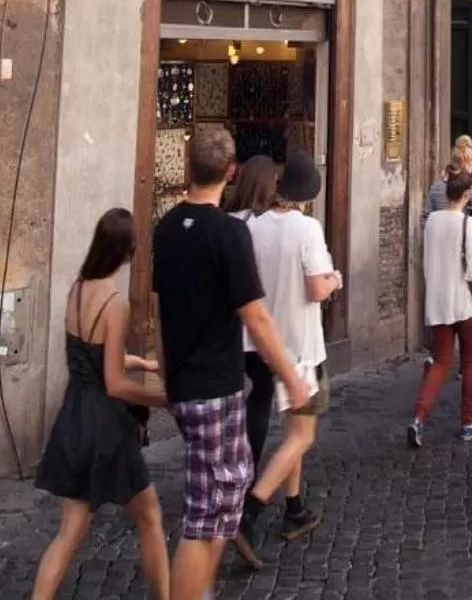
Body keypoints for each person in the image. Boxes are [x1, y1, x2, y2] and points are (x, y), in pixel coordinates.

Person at [150, 126, 312, 600]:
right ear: (231, 172)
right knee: (204, 516)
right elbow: (256, 317)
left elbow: (159, 310)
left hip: (187, 381)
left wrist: (166, 372)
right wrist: (291, 377)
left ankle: (200, 588)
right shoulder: (228, 232)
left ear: (190, 167)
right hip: (213, 386)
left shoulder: (167, 227)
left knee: (226, 496)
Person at [29, 208, 171, 600]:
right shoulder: (115, 304)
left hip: (73, 414)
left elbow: (90, 357)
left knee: (68, 533)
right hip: (106, 427)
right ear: (126, 253)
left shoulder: (76, 290)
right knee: (150, 517)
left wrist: (142, 363)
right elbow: (114, 383)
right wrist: (162, 399)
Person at [231, 152, 341, 567]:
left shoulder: (253, 226)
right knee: (302, 435)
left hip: (262, 343)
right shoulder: (307, 228)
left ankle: (294, 508)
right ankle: (251, 511)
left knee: (290, 429)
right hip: (300, 346)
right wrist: (335, 280)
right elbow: (316, 288)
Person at [408, 169, 472, 447]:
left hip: (438, 302)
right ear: (467, 195)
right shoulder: (467, 224)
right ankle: (468, 422)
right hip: (464, 304)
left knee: (441, 362)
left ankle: (418, 417)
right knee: (470, 361)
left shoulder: (431, 221)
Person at [226, 157, 282, 480]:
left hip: (227, 326)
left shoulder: (226, 219)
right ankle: (248, 467)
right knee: (262, 390)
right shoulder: (263, 225)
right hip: (253, 322)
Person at [424, 136, 472, 235]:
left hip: (438, 236)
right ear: (467, 165)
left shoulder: (435, 187)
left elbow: (425, 216)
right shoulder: (468, 186)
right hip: (459, 234)